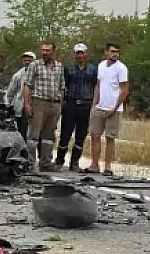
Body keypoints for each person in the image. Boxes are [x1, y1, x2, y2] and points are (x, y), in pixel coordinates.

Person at [22, 43, 65, 172]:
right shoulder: (35, 65)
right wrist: (27, 104)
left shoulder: (59, 66)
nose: (45, 53)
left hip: (54, 104)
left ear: (53, 52)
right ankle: (30, 163)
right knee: (34, 135)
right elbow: (27, 85)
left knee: (49, 136)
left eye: (48, 50)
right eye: (43, 50)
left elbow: (62, 86)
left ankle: (45, 162)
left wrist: (60, 105)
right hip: (38, 102)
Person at [56, 43, 99, 172]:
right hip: (70, 104)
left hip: (85, 104)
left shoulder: (93, 69)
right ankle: (59, 160)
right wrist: (62, 104)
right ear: (74, 54)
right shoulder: (68, 68)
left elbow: (95, 86)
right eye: (78, 53)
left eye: (82, 53)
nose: (80, 55)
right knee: (65, 134)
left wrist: (93, 104)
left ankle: (74, 162)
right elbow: (64, 86)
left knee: (81, 135)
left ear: (86, 54)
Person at [90, 43, 130, 178]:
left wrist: (115, 107)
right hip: (100, 106)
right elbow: (98, 85)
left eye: (117, 52)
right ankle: (94, 164)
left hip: (114, 108)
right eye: (112, 51)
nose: (115, 54)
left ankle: (107, 166)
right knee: (95, 135)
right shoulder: (101, 65)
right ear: (106, 52)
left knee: (110, 138)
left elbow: (124, 89)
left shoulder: (121, 68)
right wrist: (94, 104)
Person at [5, 51, 35, 139]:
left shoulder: (39, 74)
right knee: (23, 133)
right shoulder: (17, 75)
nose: (27, 62)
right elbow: (10, 93)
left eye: (29, 60)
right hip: (22, 108)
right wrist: (8, 106)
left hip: (36, 106)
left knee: (35, 134)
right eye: (25, 60)